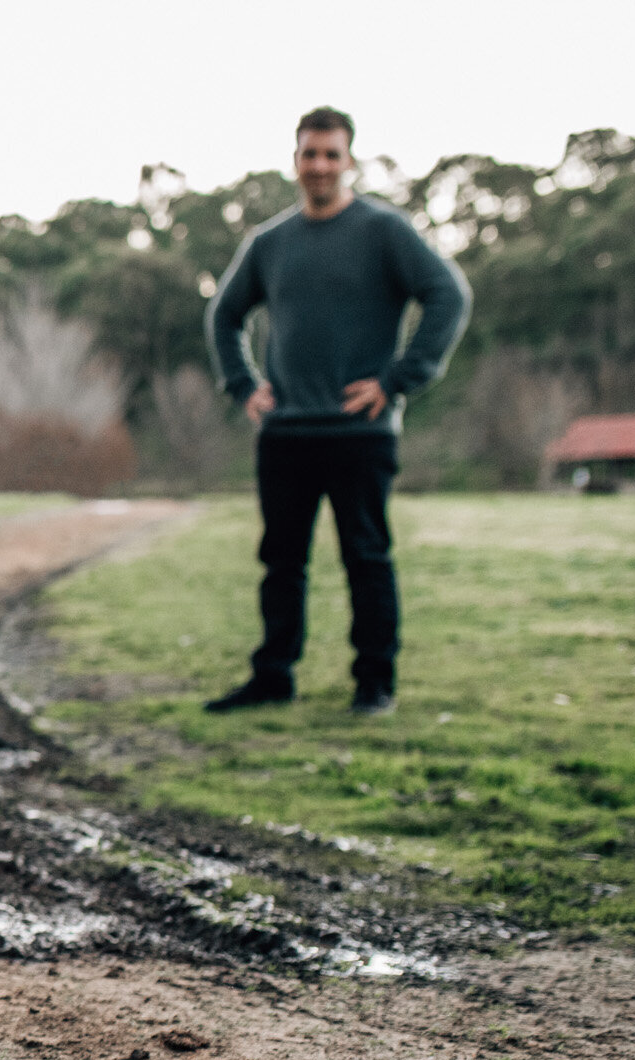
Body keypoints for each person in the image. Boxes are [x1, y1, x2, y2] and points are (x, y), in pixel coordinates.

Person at [204, 105, 470, 716]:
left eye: (331, 154)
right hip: (287, 433)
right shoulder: (269, 243)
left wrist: (399, 379)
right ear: (294, 161)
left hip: (361, 432)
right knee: (281, 563)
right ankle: (273, 677)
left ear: (349, 161)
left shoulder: (384, 232)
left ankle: (375, 683)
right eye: (309, 154)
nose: (319, 165)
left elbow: (448, 295)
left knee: (366, 557)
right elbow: (223, 315)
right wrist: (244, 387)